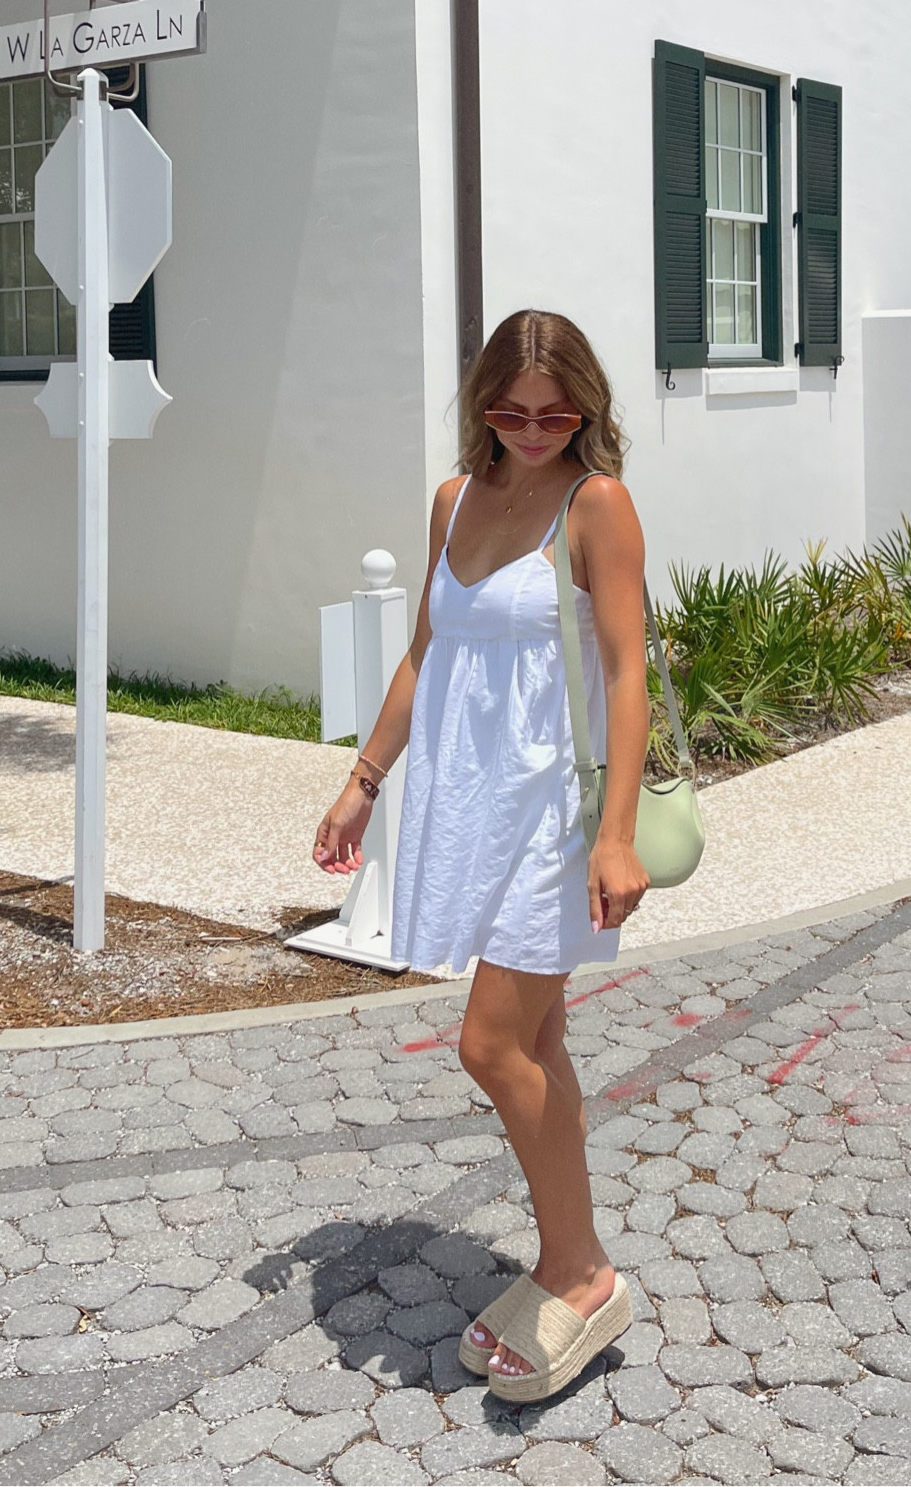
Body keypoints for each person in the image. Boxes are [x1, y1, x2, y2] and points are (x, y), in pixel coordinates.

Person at [312, 309, 652, 1401]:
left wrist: (614, 833)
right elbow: (425, 648)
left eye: (558, 413)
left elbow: (626, 673)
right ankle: (572, 1254)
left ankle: (580, 1270)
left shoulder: (594, 504)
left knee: (490, 1045)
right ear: (481, 407)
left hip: (554, 812)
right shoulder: (453, 502)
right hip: (472, 805)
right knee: (537, 1041)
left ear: (587, 408)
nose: (536, 429)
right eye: (512, 411)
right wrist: (363, 783)